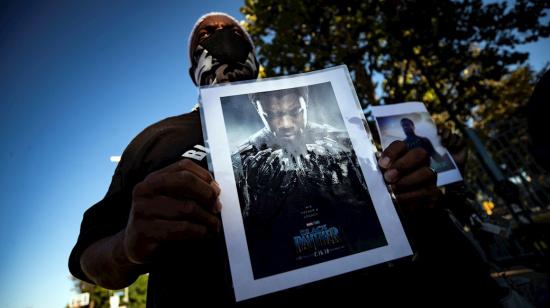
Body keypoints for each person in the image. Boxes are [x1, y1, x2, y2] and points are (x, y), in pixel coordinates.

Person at [69, 12, 500, 307]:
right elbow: (91, 258)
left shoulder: (336, 119)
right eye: (206, 38)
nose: (220, 40)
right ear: (192, 70)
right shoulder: (157, 140)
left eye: (234, 35)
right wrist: (129, 244)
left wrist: (409, 188)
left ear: (255, 58)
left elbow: (399, 202)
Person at [232, 86, 386, 279]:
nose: (285, 123)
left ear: (307, 103)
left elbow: (372, 209)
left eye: (295, 112)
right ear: (258, 110)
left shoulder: (343, 142)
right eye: (271, 115)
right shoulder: (240, 159)